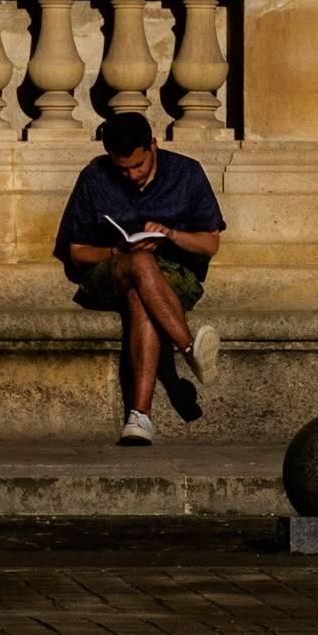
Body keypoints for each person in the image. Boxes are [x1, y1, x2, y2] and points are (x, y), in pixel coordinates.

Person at [53, 112, 226, 445]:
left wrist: (171, 234)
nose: (132, 175)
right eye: (123, 169)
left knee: (140, 298)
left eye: (139, 166)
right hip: (110, 271)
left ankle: (140, 416)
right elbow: (76, 252)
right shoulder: (95, 177)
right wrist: (119, 253)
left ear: (153, 146)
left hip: (176, 276)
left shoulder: (186, 174)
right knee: (140, 262)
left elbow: (210, 243)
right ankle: (189, 349)